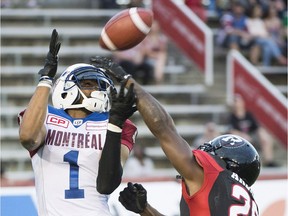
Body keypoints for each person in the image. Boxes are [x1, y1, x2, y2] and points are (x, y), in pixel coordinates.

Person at [91, 56, 261, 215]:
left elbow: (164, 127)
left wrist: (130, 83)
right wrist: (145, 210)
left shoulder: (212, 173)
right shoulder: (246, 201)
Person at [18, 29, 138, 215]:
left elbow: (108, 183)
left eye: (100, 85)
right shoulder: (46, 116)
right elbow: (28, 138)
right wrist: (46, 79)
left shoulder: (115, 123)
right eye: (88, 84)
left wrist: (114, 124)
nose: (96, 90)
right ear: (65, 88)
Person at [228, 94, 278, 167]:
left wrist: (262, 134)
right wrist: (243, 136)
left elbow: (257, 127)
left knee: (264, 137)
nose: (236, 104)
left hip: (252, 136)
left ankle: (269, 161)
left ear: (242, 103)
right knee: (244, 138)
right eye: (235, 102)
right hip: (240, 140)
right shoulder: (231, 117)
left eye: (237, 102)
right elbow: (231, 131)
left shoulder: (249, 114)